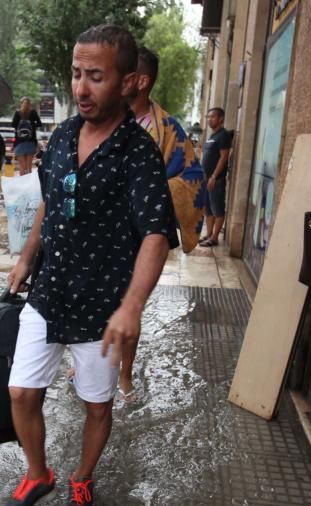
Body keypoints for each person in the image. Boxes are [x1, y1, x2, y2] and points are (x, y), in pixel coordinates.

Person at [0, 25, 178, 506]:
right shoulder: (59, 136)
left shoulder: (137, 153)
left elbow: (156, 235)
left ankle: (82, 475)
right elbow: (48, 205)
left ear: (127, 83)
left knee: (96, 406)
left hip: (103, 306)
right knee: (20, 392)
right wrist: (26, 257)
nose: (81, 87)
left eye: (95, 76)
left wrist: (131, 306)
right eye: (77, 74)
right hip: (49, 290)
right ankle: (38, 474)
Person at [111, 46, 207, 401]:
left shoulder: (166, 128)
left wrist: (154, 191)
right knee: (96, 300)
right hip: (102, 234)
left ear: (141, 80)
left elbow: (193, 177)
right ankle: (91, 362)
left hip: (141, 237)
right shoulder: (105, 117)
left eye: (124, 71)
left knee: (131, 304)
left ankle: (124, 373)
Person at [200, 107, 232, 247]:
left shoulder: (223, 135)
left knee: (218, 209)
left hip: (216, 180)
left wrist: (214, 176)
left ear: (221, 119)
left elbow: (224, 157)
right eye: (208, 117)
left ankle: (214, 238)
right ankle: (208, 234)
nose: (209, 119)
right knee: (208, 209)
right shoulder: (212, 136)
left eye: (212, 117)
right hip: (206, 180)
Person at [11, 97, 43, 175]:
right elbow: (40, 124)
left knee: (22, 166)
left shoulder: (17, 113)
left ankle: (21, 185)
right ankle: (28, 185)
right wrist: (32, 125)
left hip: (19, 143)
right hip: (31, 142)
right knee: (29, 167)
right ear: (30, 104)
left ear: (21, 104)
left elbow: (13, 125)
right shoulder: (33, 113)